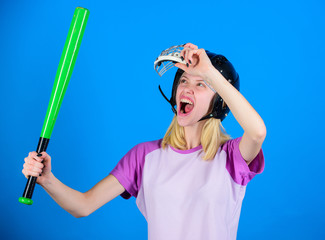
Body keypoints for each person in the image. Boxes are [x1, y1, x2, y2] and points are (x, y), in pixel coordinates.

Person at [22, 43, 266, 240]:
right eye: (183, 81)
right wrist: (47, 180)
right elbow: (83, 206)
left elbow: (257, 133)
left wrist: (210, 73)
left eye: (200, 84)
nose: (186, 89)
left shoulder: (231, 157)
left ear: (219, 102)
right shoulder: (145, 156)